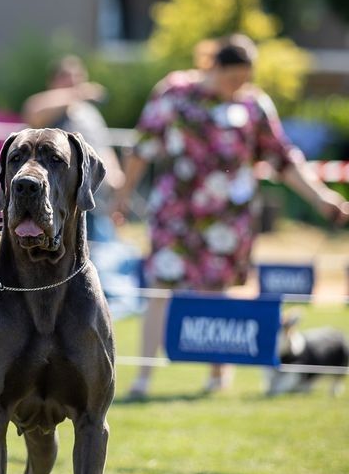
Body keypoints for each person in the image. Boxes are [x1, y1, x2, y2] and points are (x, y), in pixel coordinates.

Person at [114, 34, 349, 400]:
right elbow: (142, 146)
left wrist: (321, 198)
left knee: (216, 294)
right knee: (159, 290)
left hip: (228, 220)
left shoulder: (255, 105)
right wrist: (123, 195)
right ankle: (142, 378)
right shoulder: (175, 92)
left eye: (245, 79)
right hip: (175, 212)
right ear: (215, 67)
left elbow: (284, 159)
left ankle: (218, 379)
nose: (239, 85)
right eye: (233, 77)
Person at [22, 54, 124, 240]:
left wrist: (116, 177)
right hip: (59, 200)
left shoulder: (90, 113)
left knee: (100, 250)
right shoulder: (49, 108)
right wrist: (81, 93)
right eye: (67, 77)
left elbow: (102, 146)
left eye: (78, 76)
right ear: (52, 81)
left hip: (94, 200)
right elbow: (32, 111)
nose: (74, 82)